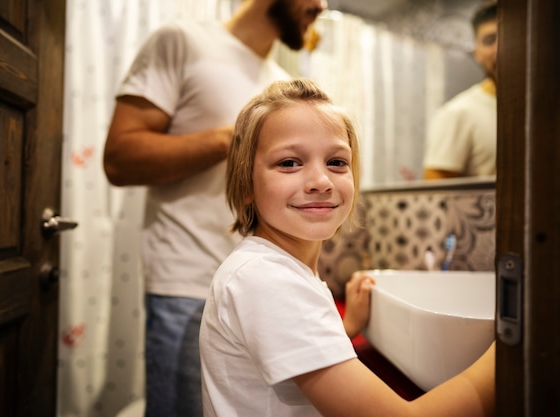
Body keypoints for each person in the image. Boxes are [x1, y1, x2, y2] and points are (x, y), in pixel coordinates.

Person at [199, 78, 495, 417]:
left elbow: (286, 349)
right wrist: (511, 352)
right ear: (246, 182)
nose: (321, 182)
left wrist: (345, 327)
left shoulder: (268, 268)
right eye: (289, 163)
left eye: (337, 162)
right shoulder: (267, 281)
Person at [103, 1, 327, 416]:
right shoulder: (184, 41)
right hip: (188, 286)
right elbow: (119, 158)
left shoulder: (280, 83)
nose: (322, 5)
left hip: (265, 291)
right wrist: (235, 139)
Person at [423, 1, 498, 180]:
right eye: (490, 40)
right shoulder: (459, 113)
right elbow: (436, 196)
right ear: (476, 53)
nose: (500, 48)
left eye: (511, 36)